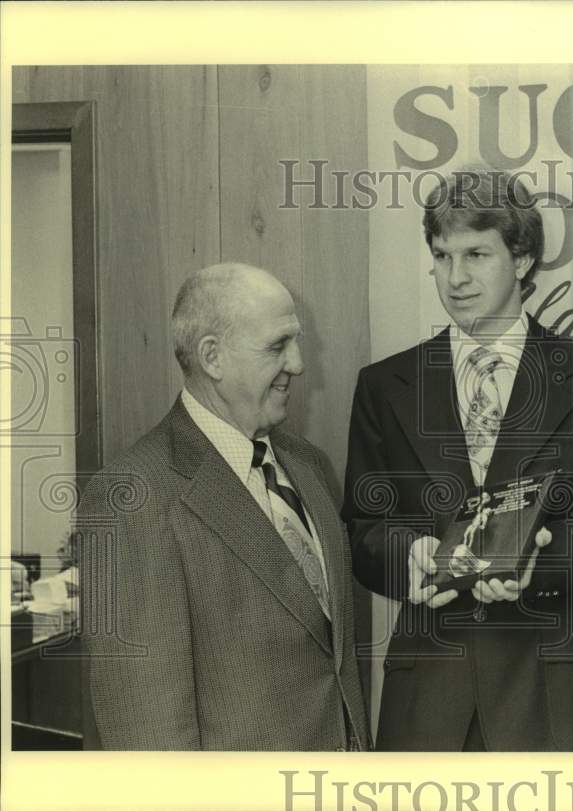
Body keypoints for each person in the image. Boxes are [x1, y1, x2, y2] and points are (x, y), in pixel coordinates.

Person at [343, 167, 573, 751]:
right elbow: (362, 529)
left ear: (523, 258)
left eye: (476, 254)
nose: (455, 278)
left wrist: (537, 567)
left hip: (552, 693)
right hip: (427, 696)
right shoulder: (384, 385)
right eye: (441, 256)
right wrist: (410, 557)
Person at [78, 263, 369, 750]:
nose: (298, 364)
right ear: (212, 357)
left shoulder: (309, 465)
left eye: (295, 342)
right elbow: (147, 739)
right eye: (278, 346)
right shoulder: (131, 499)